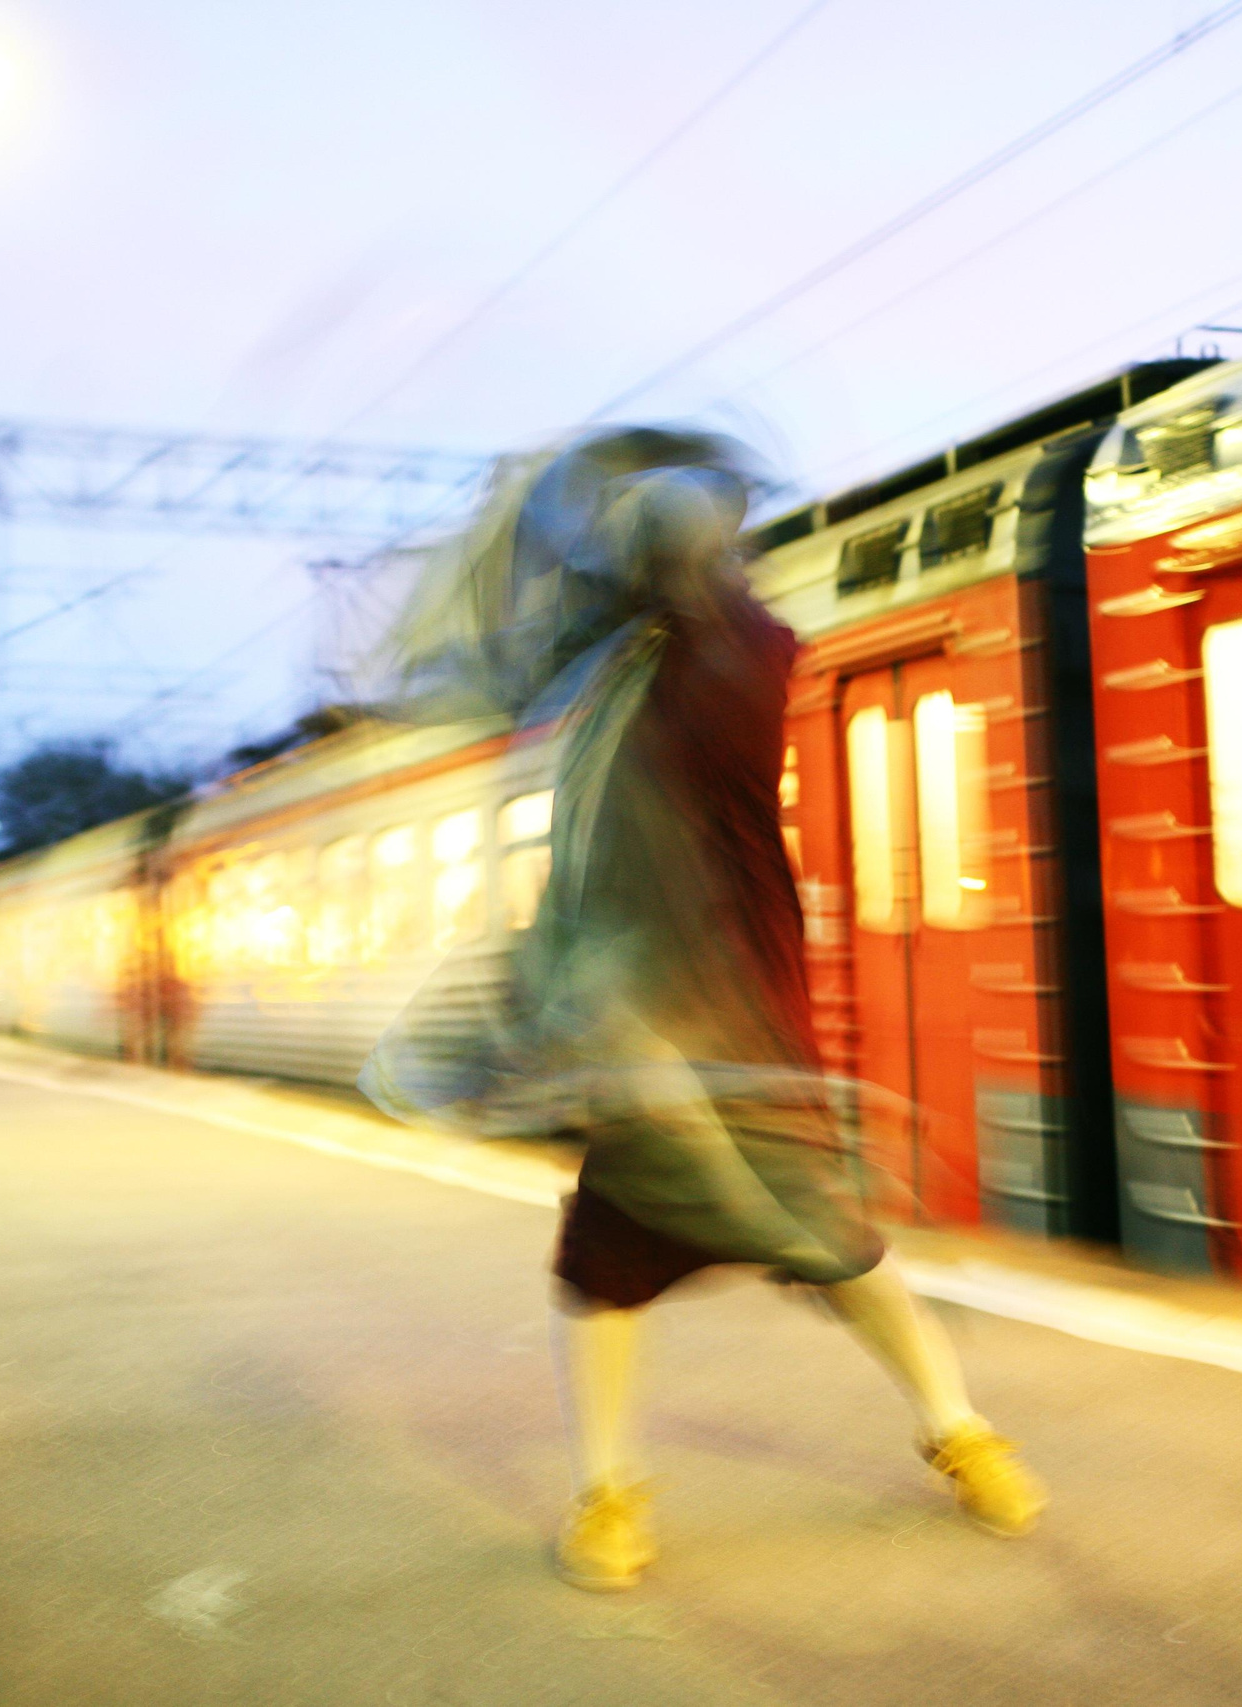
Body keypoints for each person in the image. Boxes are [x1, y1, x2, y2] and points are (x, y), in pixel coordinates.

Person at [364, 428, 1042, 1591]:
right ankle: (613, 1494)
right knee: (619, 1264)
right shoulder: (617, 666)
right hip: (629, 1014)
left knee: (827, 1246)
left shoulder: (738, 655)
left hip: (723, 1004)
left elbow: (521, 627)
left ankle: (954, 1431)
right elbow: (486, 648)